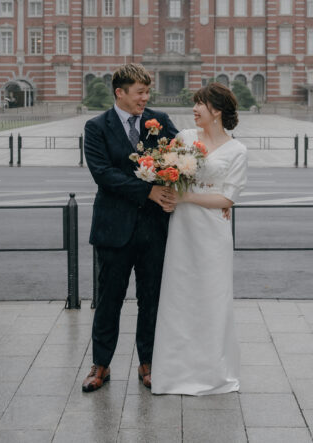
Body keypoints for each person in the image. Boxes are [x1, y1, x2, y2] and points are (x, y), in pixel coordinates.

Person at [81, 63, 179, 393]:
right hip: (114, 228)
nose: (145, 98)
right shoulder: (96, 127)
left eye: (147, 92)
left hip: (154, 229)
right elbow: (103, 174)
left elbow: (178, 156)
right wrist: (149, 190)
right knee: (109, 299)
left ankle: (149, 362)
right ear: (119, 93)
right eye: (140, 92)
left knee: (151, 298)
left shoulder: (160, 121)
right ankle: (101, 365)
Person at [152, 82, 248, 396]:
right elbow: (168, 175)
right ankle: (174, 373)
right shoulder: (185, 138)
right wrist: (169, 196)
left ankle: (213, 373)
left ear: (217, 110)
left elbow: (227, 199)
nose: (194, 109)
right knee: (179, 297)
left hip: (212, 232)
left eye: (199, 104)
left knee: (212, 298)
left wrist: (186, 198)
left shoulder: (237, 150)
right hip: (182, 229)